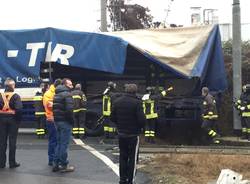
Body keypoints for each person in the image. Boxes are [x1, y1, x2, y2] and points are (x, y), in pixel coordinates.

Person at [111, 84, 146, 184]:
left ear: (125, 90)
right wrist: (140, 127)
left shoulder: (117, 101)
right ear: (135, 91)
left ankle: (122, 180)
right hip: (133, 135)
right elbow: (142, 120)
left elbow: (112, 117)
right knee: (133, 159)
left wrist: (120, 124)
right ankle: (130, 181)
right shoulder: (137, 103)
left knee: (123, 157)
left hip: (121, 133)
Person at [52, 78, 75, 172]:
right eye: (70, 85)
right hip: (65, 122)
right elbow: (69, 110)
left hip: (57, 121)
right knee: (64, 144)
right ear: (65, 85)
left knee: (59, 143)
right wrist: (72, 121)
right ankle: (64, 165)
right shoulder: (67, 95)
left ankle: (56, 164)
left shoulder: (56, 94)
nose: (72, 86)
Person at [0, 78, 23, 168]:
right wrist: (18, 120)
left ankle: (1, 163)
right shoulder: (15, 96)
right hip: (13, 121)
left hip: (1, 120)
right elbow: (19, 109)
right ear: (12, 85)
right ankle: (12, 163)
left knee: (2, 142)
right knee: (12, 142)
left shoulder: (0, 95)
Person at [43, 79, 61, 166]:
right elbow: (49, 105)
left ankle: (55, 159)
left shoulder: (54, 92)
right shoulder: (49, 94)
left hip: (56, 119)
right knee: (53, 140)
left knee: (57, 140)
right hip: (52, 119)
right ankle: (52, 159)